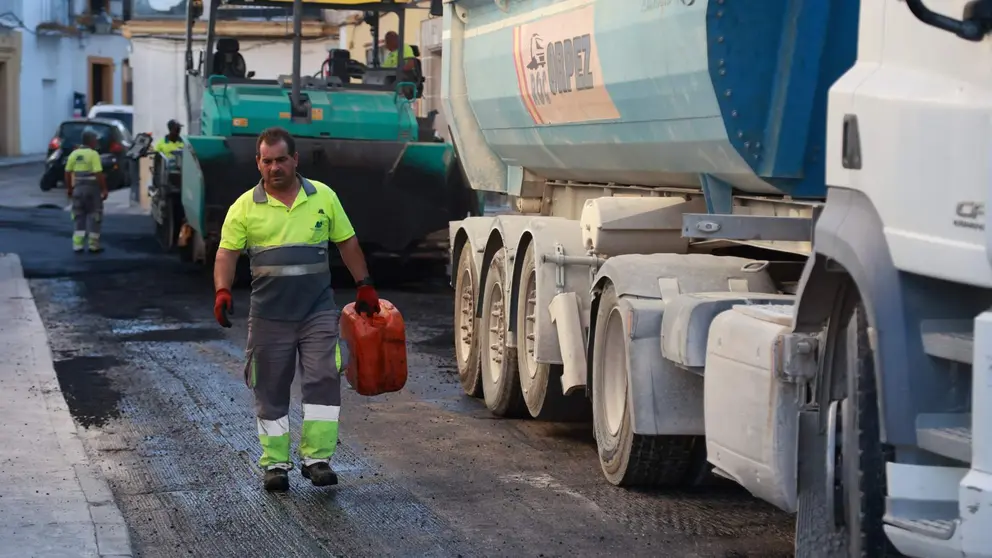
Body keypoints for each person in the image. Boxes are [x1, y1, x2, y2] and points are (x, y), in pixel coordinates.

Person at [212, 126, 381, 492]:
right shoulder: (244, 207)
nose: (275, 167)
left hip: (317, 311)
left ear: (295, 160)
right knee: (269, 387)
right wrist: (223, 291)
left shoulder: (323, 196)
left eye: (281, 160)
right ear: (258, 163)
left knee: (323, 376)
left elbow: (347, 242)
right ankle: (275, 464)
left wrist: (364, 283)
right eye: (267, 161)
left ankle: (316, 459)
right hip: (269, 316)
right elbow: (226, 253)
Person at [64, 128, 108, 253]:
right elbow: (98, 173)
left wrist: (69, 188)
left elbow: (67, 172)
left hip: (78, 188)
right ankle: (93, 245)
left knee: (78, 215)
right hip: (92, 189)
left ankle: (78, 245)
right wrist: (104, 189)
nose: (96, 142)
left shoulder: (74, 154)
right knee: (95, 215)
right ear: (91, 141)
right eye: (95, 140)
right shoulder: (93, 154)